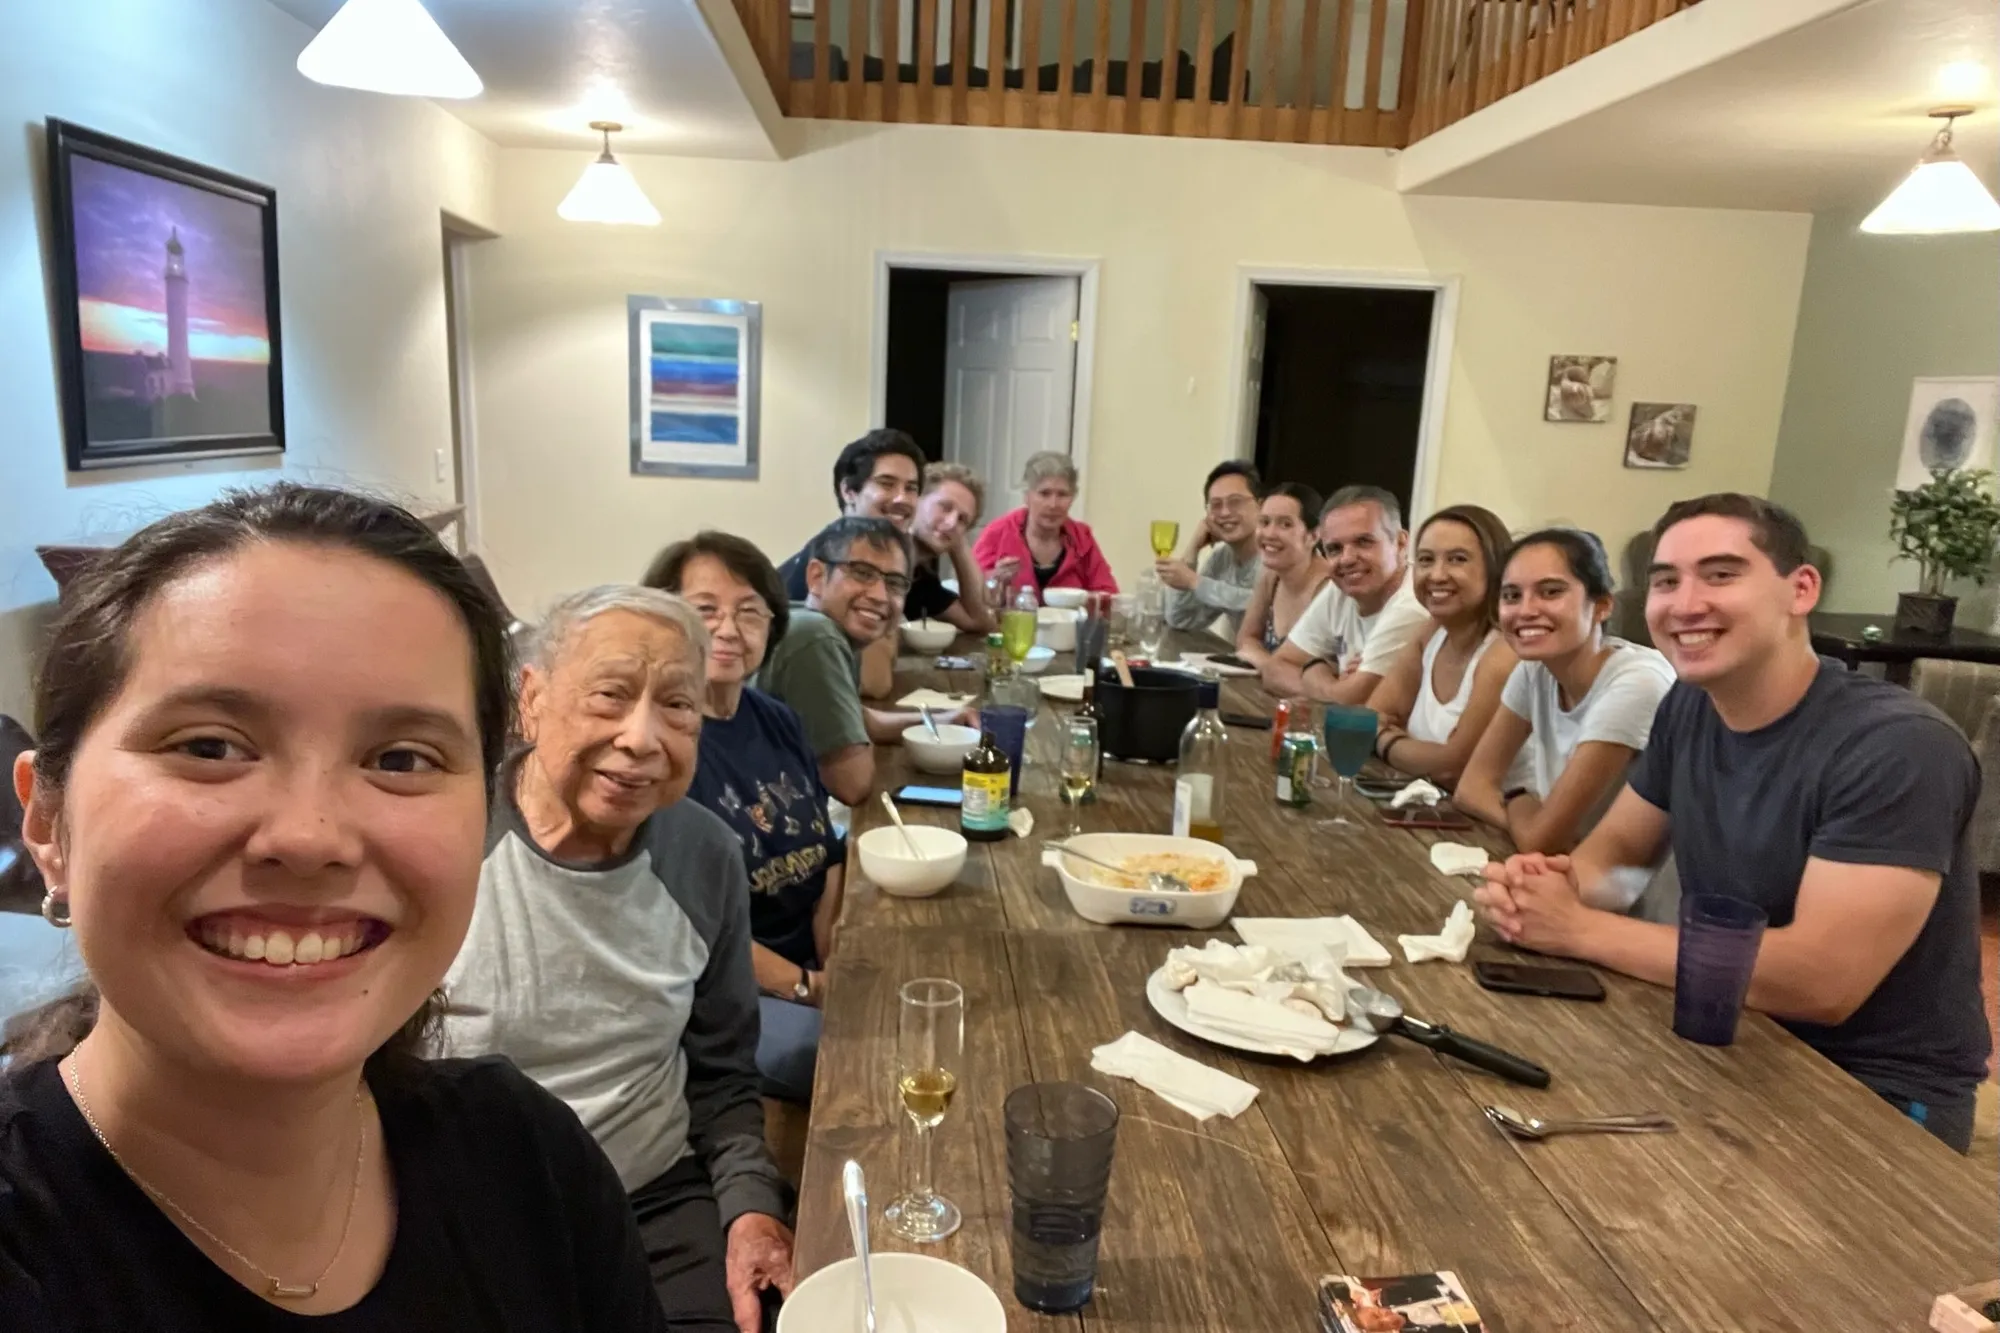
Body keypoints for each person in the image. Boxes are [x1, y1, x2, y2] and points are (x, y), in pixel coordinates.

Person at [0, 483, 668, 1330]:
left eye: (400, 757)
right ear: (49, 820)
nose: (311, 836)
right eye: (209, 746)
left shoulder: (526, 1161)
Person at [1475, 494, 1989, 1153]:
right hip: (1724, 1032)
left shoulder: (1898, 745)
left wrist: (1578, 928)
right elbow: (1616, 859)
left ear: (1800, 589)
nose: (1685, 603)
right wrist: (1548, 885)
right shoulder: (1690, 705)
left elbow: (1821, 979)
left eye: (1721, 574)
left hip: (1873, 1090)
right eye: (1666, 580)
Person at [440, 585, 795, 1331]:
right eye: (610, 695)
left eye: (677, 706)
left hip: (654, 1199)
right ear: (529, 700)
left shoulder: (704, 855)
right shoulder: (446, 837)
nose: (642, 738)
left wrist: (751, 1212)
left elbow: (726, 1073)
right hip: (463, 1211)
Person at [643, 533, 843, 1106]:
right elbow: (688, 925)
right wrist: (807, 987)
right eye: (705, 610)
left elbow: (826, 854)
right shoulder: (659, 746)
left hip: (806, 965)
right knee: (854, 1050)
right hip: (722, 992)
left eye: (750, 612)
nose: (729, 629)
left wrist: (831, 960)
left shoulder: (776, 719)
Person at [1457, 528, 1675, 854]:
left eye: (1550, 592)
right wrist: (1529, 819)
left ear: (1601, 606)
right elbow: (1470, 788)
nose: (1526, 610)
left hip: (1632, 896)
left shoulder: (1637, 682)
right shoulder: (1535, 669)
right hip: (1562, 869)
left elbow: (1542, 839)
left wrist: (1516, 797)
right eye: (1512, 595)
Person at [758, 517, 965, 806]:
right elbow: (851, 784)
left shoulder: (814, 623)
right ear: (816, 577)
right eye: (862, 573)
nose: (880, 596)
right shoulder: (816, 639)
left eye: (894, 583)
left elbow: (855, 718)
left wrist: (944, 720)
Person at [1365, 505, 1518, 787]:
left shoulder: (1503, 654)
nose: (1436, 575)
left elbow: (1453, 767)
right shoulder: (1431, 632)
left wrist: (1384, 741)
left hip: (1486, 826)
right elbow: (1369, 718)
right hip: (1426, 810)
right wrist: (1400, 745)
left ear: (1495, 569)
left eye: (1457, 560)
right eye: (1425, 560)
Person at [1260, 485, 1431, 705]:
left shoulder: (1412, 605)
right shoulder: (1340, 589)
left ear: (1400, 542)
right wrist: (1330, 683)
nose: (1347, 559)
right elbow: (1275, 669)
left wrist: (1314, 670)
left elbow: (1354, 700)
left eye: (1363, 542)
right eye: (1334, 549)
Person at [774, 429, 925, 603]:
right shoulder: (828, 560)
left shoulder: (895, 556)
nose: (902, 498)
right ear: (848, 491)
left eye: (911, 488)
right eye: (887, 484)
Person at [971, 451, 1118, 596]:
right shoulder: (998, 532)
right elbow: (969, 588)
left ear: (1072, 498)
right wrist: (994, 579)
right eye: (1044, 493)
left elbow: (1107, 594)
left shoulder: (1082, 538)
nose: (1053, 504)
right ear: (1027, 496)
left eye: (1062, 494)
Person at [1160, 460, 1263, 637]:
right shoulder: (1222, 558)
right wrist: (1192, 551)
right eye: (1216, 505)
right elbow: (1181, 619)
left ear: (1261, 506)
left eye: (1235, 502)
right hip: (1246, 661)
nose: (1224, 513)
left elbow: (1265, 606)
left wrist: (1195, 581)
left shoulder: (1276, 553)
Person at [1235, 483, 1331, 669]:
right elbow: (1245, 639)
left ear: (1313, 536)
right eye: (1264, 522)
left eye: (1285, 524)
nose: (1270, 534)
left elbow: (1309, 669)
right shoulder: (1271, 577)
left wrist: (1262, 661)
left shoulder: (1328, 588)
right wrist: (1273, 667)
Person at [908, 462, 996, 635]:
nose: (951, 522)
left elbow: (980, 621)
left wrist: (958, 543)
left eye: (962, 519)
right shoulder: (878, 554)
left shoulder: (921, 579)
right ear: (915, 499)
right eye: (945, 507)